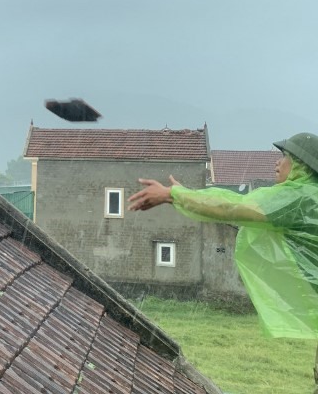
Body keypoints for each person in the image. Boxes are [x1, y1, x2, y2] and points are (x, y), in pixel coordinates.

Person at [128, 132, 318, 389]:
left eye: (285, 157)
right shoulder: (310, 199)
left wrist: (173, 195)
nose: (277, 163)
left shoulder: (299, 198)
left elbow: (232, 207)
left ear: (301, 165)